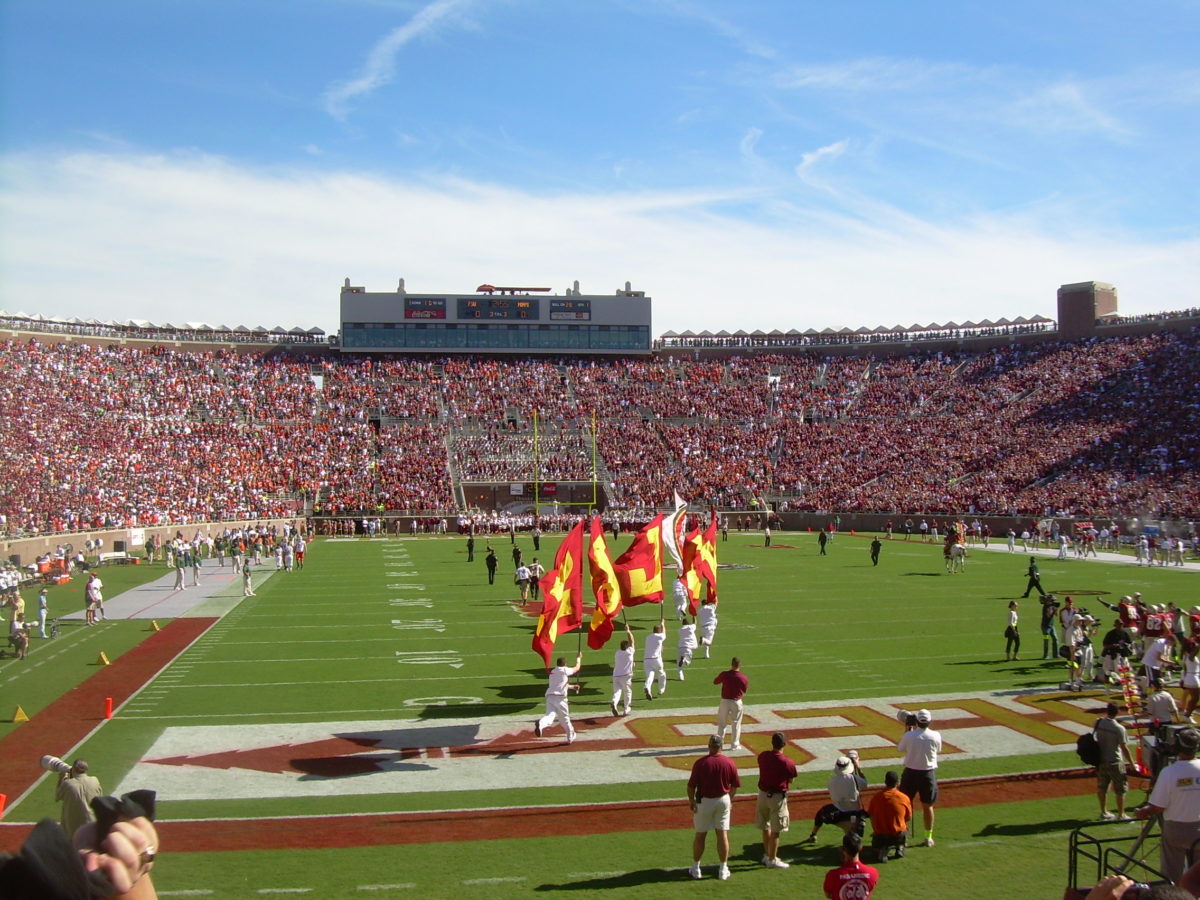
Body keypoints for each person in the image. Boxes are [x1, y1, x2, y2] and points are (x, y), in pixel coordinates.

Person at [1136, 725, 1200, 882]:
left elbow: (1158, 806)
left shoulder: (1169, 772)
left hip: (1175, 829)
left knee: (1171, 875)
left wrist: (1144, 812)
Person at [686, 734, 740, 880]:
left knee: (700, 834)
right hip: (723, 799)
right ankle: (723, 869)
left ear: (709, 746)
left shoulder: (701, 763)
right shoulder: (729, 763)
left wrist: (691, 800)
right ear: (721, 746)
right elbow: (734, 785)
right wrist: (730, 799)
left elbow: (691, 786)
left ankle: (696, 868)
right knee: (722, 834)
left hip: (704, 802)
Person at [897, 708, 941, 847]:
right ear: (929, 721)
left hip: (910, 773)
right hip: (927, 773)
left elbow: (901, 748)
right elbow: (938, 749)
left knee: (904, 804)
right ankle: (928, 837)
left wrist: (907, 730)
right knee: (928, 806)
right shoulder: (935, 735)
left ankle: (902, 834)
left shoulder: (909, 736)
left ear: (917, 721)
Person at [804, 751, 868, 844]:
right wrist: (858, 768)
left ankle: (813, 835)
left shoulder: (832, 782)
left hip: (839, 814)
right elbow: (865, 783)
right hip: (854, 814)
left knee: (820, 813)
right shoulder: (855, 779)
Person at [755, 731, 797, 869]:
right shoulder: (787, 762)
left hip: (762, 795)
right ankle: (772, 859)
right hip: (777, 797)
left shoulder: (763, 756)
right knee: (776, 829)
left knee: (765, 826)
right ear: (784, 744)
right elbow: (790, 779)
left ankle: (768, 855)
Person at [1094, 701, 1134, 820]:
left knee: (1102, 787)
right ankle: (1121, 814)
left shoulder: (1098, 722)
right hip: (1117, 761)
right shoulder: (1119, 728)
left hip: (1101, 759)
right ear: (1118, 712)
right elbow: (1124, 748)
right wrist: (1132, 763)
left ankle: (1103, 812)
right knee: (1121, 788)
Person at [535, 653, 582, 744]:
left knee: (549, 716)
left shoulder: (552, 672)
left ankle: (540, 724)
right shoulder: (565, 670)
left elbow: (559, 685)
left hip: (550, 697)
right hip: (561, 699)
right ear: (565, 664)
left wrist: (572, 687)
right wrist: (578, 658)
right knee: (565, 719)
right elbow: (577, 668)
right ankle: (570, 737)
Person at [867, 770, 912, 862]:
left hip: (880, 836)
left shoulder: (876, 797)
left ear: (885, 782)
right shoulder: (904, 798)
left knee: (879, 841)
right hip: (898, 835)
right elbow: (908, 818)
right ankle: (900, 846)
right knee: (905, 828)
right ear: (898, 782)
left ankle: (882, 849)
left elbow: (871, 815)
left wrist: (876, 830)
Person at [823, 832, 879, 899]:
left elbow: (828, 895)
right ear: (860, 848)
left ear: (843, 849)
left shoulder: (832, 875)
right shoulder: (873, 873)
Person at [56, 759, 103, 838]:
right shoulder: (95, 780)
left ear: (73, 769)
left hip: (73, 825)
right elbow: (100, 797)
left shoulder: (67, 784)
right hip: (91, 821)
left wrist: (61, 779)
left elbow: (58, 796)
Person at [713, 657, 748, 750]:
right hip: (736, 702)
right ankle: (735, 744)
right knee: (736, 723)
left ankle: (719, 744)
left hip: (725, 701)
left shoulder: (725, 674)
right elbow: (744, 690)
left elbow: (715, 681)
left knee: (722, 722)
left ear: (731, 664)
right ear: (740, 665)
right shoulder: (743, 677)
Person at [610, 626, 635, 717]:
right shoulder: (629, 652)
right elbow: (632, 641)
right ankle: (626, 708)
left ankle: (614, 702)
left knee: (617, 691)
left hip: (616, 675)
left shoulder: (617, 653)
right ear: (627, 647)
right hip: (626, 675)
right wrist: (628, 630)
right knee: (627, 691)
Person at [643, 617, 667, 700]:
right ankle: (661, 689)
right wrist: (663, 623)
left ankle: (647, 687)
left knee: (650, 676)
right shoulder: (659, 637)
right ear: (659, 631)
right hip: (656, 659)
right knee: (661, 674)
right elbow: (664, 634)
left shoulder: (648, 637)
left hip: (647, 660)